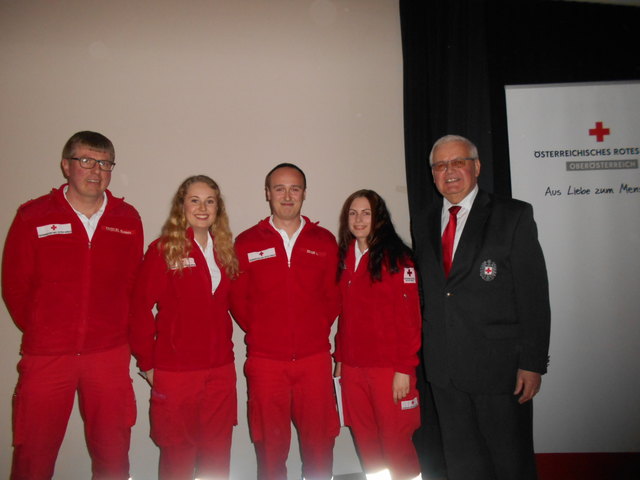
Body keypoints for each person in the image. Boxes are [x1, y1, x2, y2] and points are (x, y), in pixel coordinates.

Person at [1, 131, 143, 480]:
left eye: (104, 163)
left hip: (107, 355)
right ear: (66, 166)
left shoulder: (127, 219)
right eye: (85, 161)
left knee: (113, 455)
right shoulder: (32, 216)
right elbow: (14, 286)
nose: (95, 170)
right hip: (47, 356)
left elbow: (132, 286)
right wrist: (42, 327)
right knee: (33, 456)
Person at [412, 134, 551, 480]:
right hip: (444, 371)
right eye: (440, 165)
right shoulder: (424, 221)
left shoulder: (513, 215)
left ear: (476, 167)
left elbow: (533, 294)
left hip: (499, 370)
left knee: (510, 462)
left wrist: (532, 363)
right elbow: (432, 294)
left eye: (458, 162)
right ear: (432, 175)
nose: (449, 171)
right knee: (461, 463)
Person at [230, 163, 340, 480]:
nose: (287, 195)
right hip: (266, 363)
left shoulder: (324, 241)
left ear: (304, 193)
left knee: (320, 448)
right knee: (270, 451)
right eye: (279, 188)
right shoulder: (247, 242)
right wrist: (266, 330)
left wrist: (314, 327)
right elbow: (238, 300)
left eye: (294, 188)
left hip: (314, 361)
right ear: (268, 194)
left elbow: (332, 297)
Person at [129, 175, 238, 479]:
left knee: (217, 458)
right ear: (182, 206)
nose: (202, 207)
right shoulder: (164, 249)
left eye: (210, 201)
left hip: (220, 371)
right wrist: (148, 364)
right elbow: (138, 309)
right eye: (194, 200)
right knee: (177, 457)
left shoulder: (225, 250)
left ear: (218, 208)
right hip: (177, 374)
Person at [334, 190, 423, 480]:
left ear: (379, 218)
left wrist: (404, 368)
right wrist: (340, 359)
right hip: (353, 370)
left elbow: (410, 319)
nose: (358, 219)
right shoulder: (345, 257)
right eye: (353, 213)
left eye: (366, 213)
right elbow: (345, 317)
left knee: (396, 443)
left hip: (389, 369)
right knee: (366, 442)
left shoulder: (398, 258)